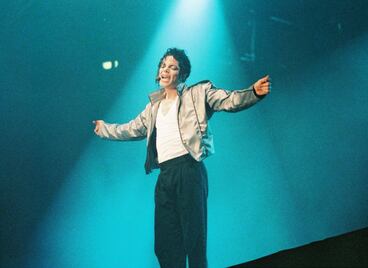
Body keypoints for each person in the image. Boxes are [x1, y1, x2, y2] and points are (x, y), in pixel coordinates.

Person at [93, 47, 271, 268]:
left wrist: (252, 92)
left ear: (183, 74)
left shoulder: (198, 93)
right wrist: (104, 129)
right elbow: (131, 128)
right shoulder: (153, 107)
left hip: (189, 170)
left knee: (194, 242)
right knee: (165, 246)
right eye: (163, 66)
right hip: (165, 176)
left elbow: (229, 100)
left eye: (172, 67)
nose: (165, 70)